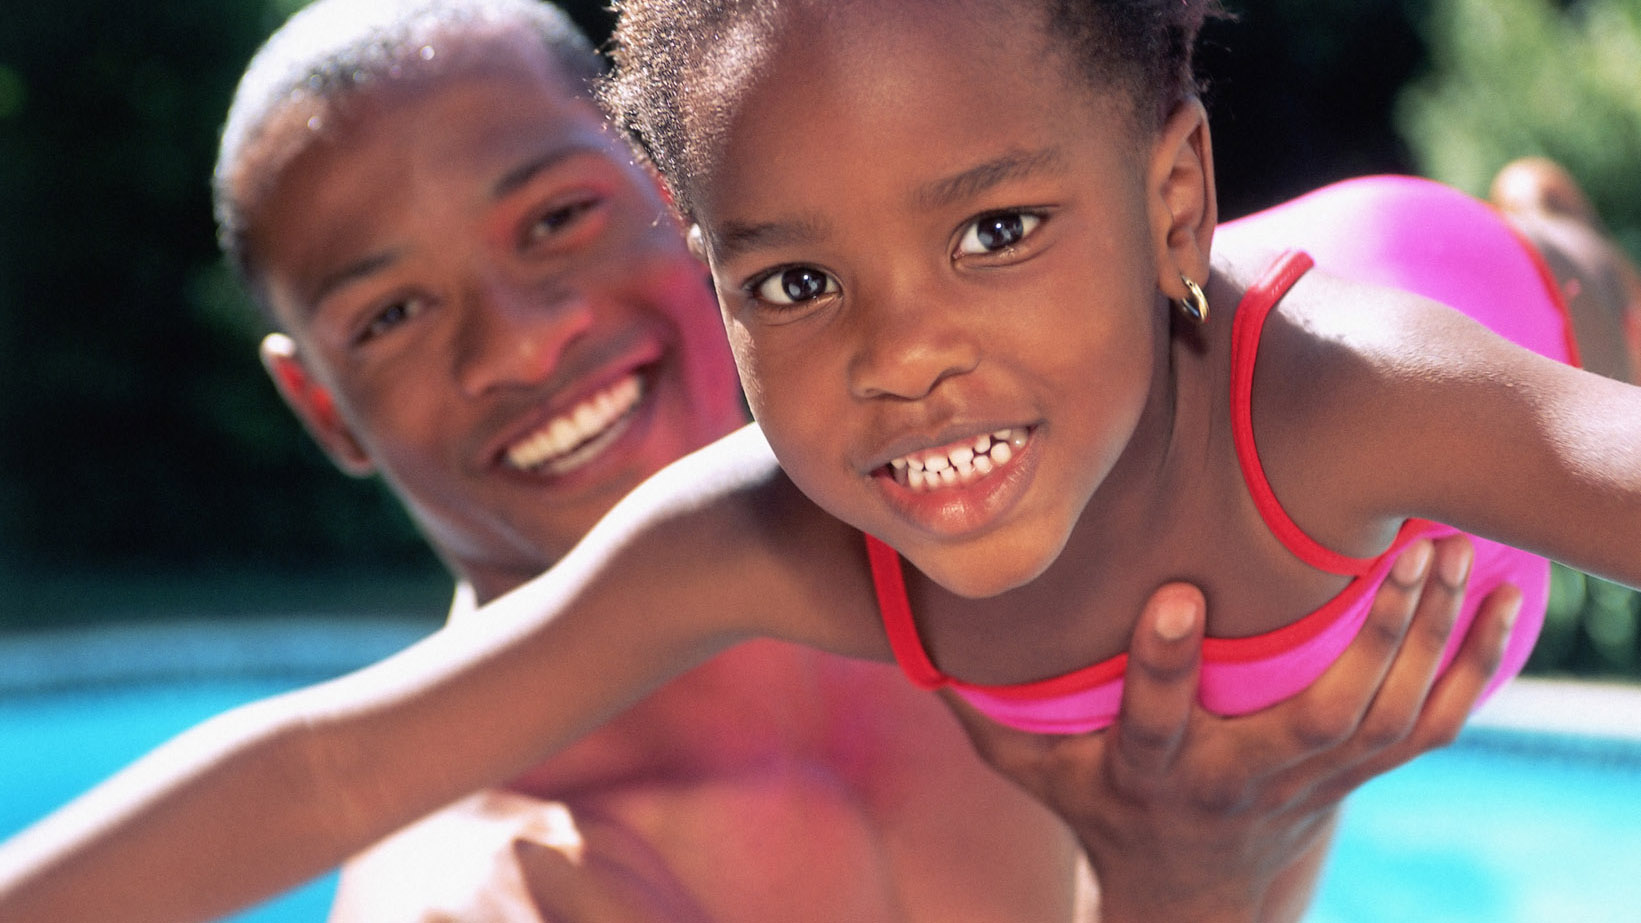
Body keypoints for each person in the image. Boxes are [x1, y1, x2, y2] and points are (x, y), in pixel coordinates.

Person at [0, 0, 1602, 919]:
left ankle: (1556, 229)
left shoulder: (1349, 394)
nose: (896, 352)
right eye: (799, 281)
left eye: (554, 218)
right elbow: (328, 764)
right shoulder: (751, 555)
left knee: (1575, 291)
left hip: (1413, 286)